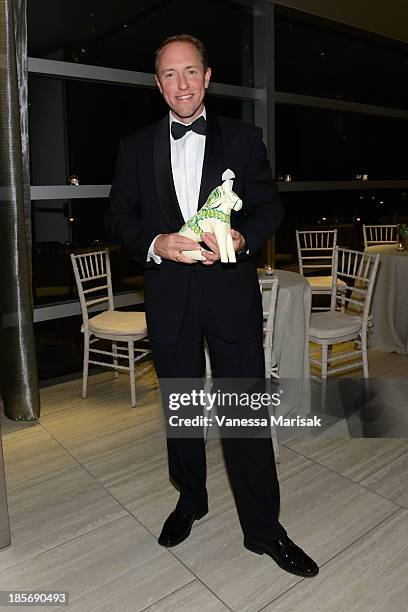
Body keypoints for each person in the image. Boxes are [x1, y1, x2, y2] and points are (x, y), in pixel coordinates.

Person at [105, 34, 318, 578]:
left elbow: (269, 208)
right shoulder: (134, 145)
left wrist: (241, 240)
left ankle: (264, 529)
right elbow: (119, 218)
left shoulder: (244, 139)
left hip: (230, 299)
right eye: (170, 74)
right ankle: (190, 500)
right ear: (158, 84)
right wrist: (157, 242)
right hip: (169, 297)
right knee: (181, 413)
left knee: (243, 415)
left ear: (208, 76)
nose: (182, 83)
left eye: (191, 71)